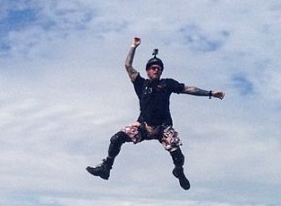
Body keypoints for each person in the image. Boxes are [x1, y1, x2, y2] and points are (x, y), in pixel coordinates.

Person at [86, 36, 225, 190]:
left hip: (163, 127)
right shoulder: (141, 84)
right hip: (144, 126)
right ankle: (106, 168)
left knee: (178, 157)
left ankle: (178, 171)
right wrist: (134, 46)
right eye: (153, 68)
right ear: (147, 70)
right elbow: (127, 65)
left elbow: (188, 89)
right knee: (116, 139)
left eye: (158, 68)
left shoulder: (167, 84)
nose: (156, 69)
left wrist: (210, 93)